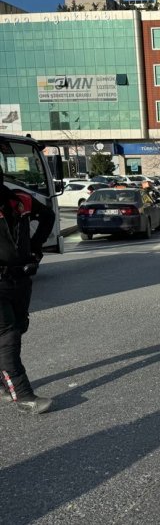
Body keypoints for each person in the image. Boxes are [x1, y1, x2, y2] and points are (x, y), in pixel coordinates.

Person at [0, 165, 56, 414]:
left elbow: (48, 216)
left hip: (20, 279)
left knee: (19, 327)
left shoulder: (19, 200)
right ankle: (23, 396)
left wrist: (34, 248)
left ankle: (4, 382)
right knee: (7, 335)